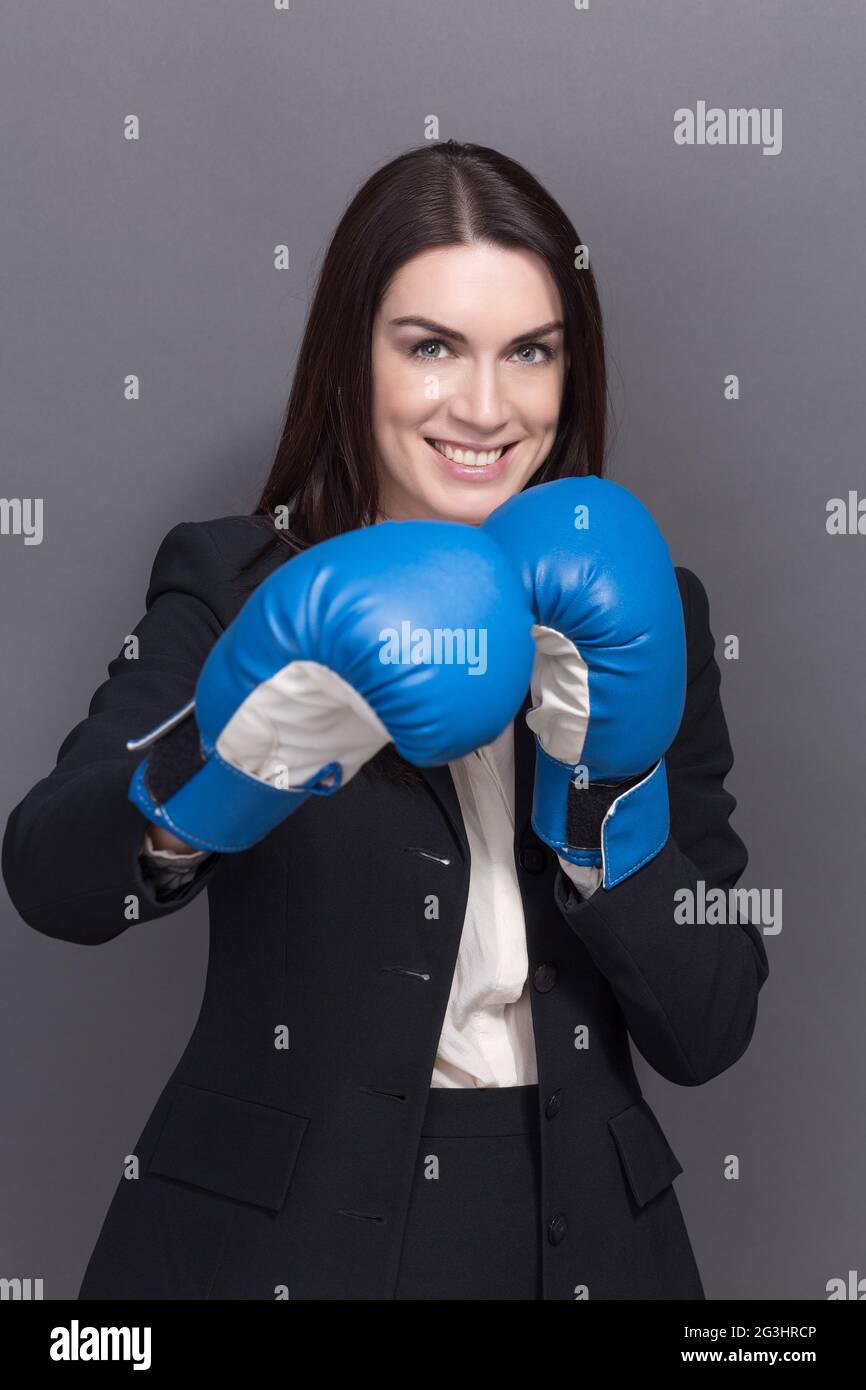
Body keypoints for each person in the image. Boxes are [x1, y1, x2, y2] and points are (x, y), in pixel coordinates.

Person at [2, 139, 769, 1301]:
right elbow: (53, 876)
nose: (484, 404)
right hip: (280, 1240)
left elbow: (708, 1029)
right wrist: (233, 755)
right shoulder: (239, 580)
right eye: (430, 347)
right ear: (351, 359)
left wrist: (600, 794)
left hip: (584, 1239)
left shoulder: (644, 610)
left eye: (529, 352)